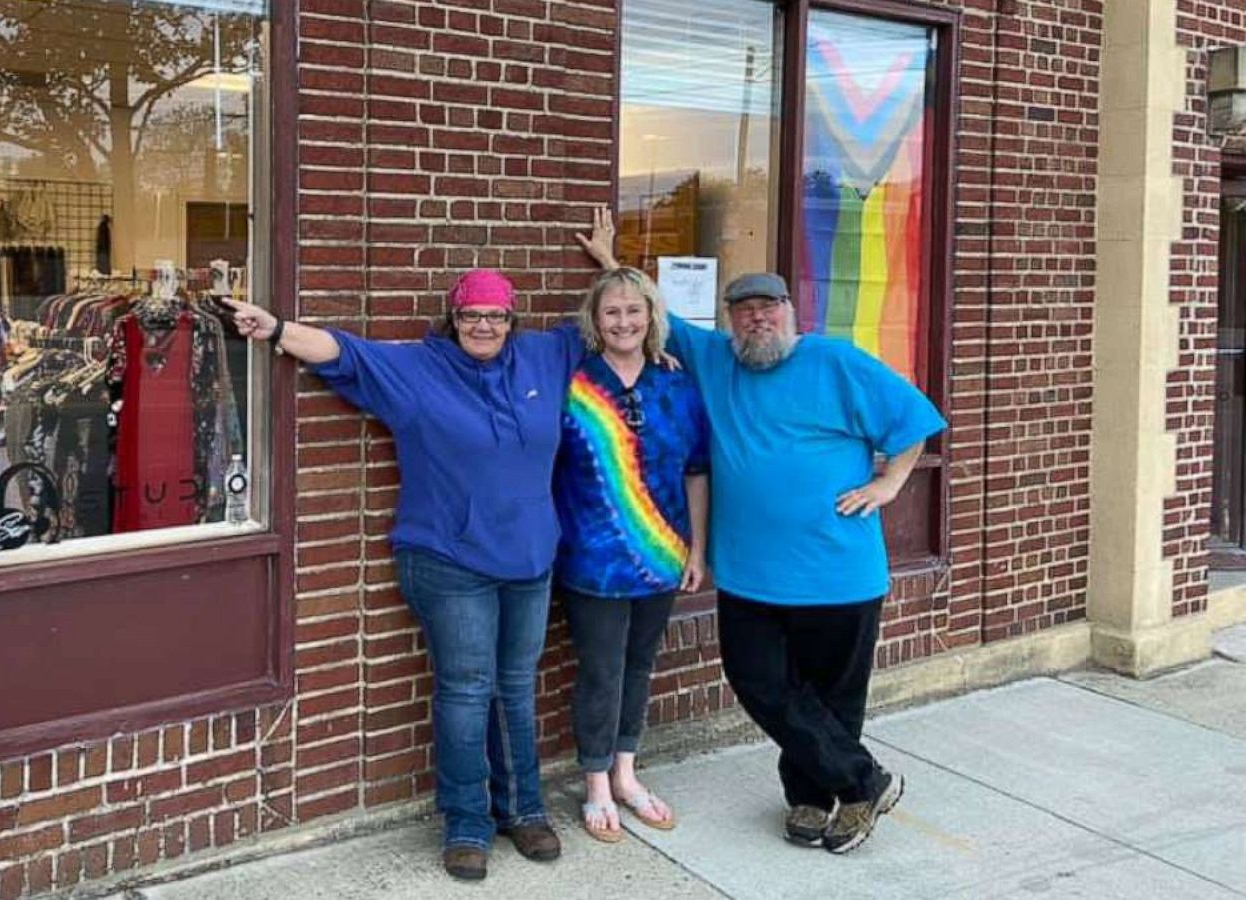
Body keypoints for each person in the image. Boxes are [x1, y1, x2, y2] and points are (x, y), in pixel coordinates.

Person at [580, 211, 947, 854]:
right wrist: (613, 262)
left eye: (768, 308)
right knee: (760, 683)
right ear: (729, 320)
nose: (757, 320)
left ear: (790, 311)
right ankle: (862, 781)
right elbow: (638, 314)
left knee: (832, 700)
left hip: (838, 573)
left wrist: (890, 484)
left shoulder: (834, 360)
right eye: (744, 310)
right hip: (750, 572)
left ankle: (815, 801)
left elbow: (913, 420)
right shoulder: (716, 358)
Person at [220, 270, 583, 881]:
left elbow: (618, 326)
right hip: (449, 558)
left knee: (515, 687)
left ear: (513, 320)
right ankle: (467, 821)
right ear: (453, 319)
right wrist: (276, 328)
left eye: (496, 316)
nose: (484, 327)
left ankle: (523, 809)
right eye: (471, 316)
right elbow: (343, 350)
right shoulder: (420, 369)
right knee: (468, 691)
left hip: (530, 557)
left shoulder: (544, 356)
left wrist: (610, 265)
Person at [551, 266, 708, 843]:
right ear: (595, 321)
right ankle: (594, 781)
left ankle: (625, 773)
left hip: (662, 555)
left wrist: (697, 547)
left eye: (634, 311)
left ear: (651, 318)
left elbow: (696, 472)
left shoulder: (676, 383)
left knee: (640, 666)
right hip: (592, 559)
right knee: (600, 670)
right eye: (611, 311)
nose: (623, 321)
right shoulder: (575, 384)